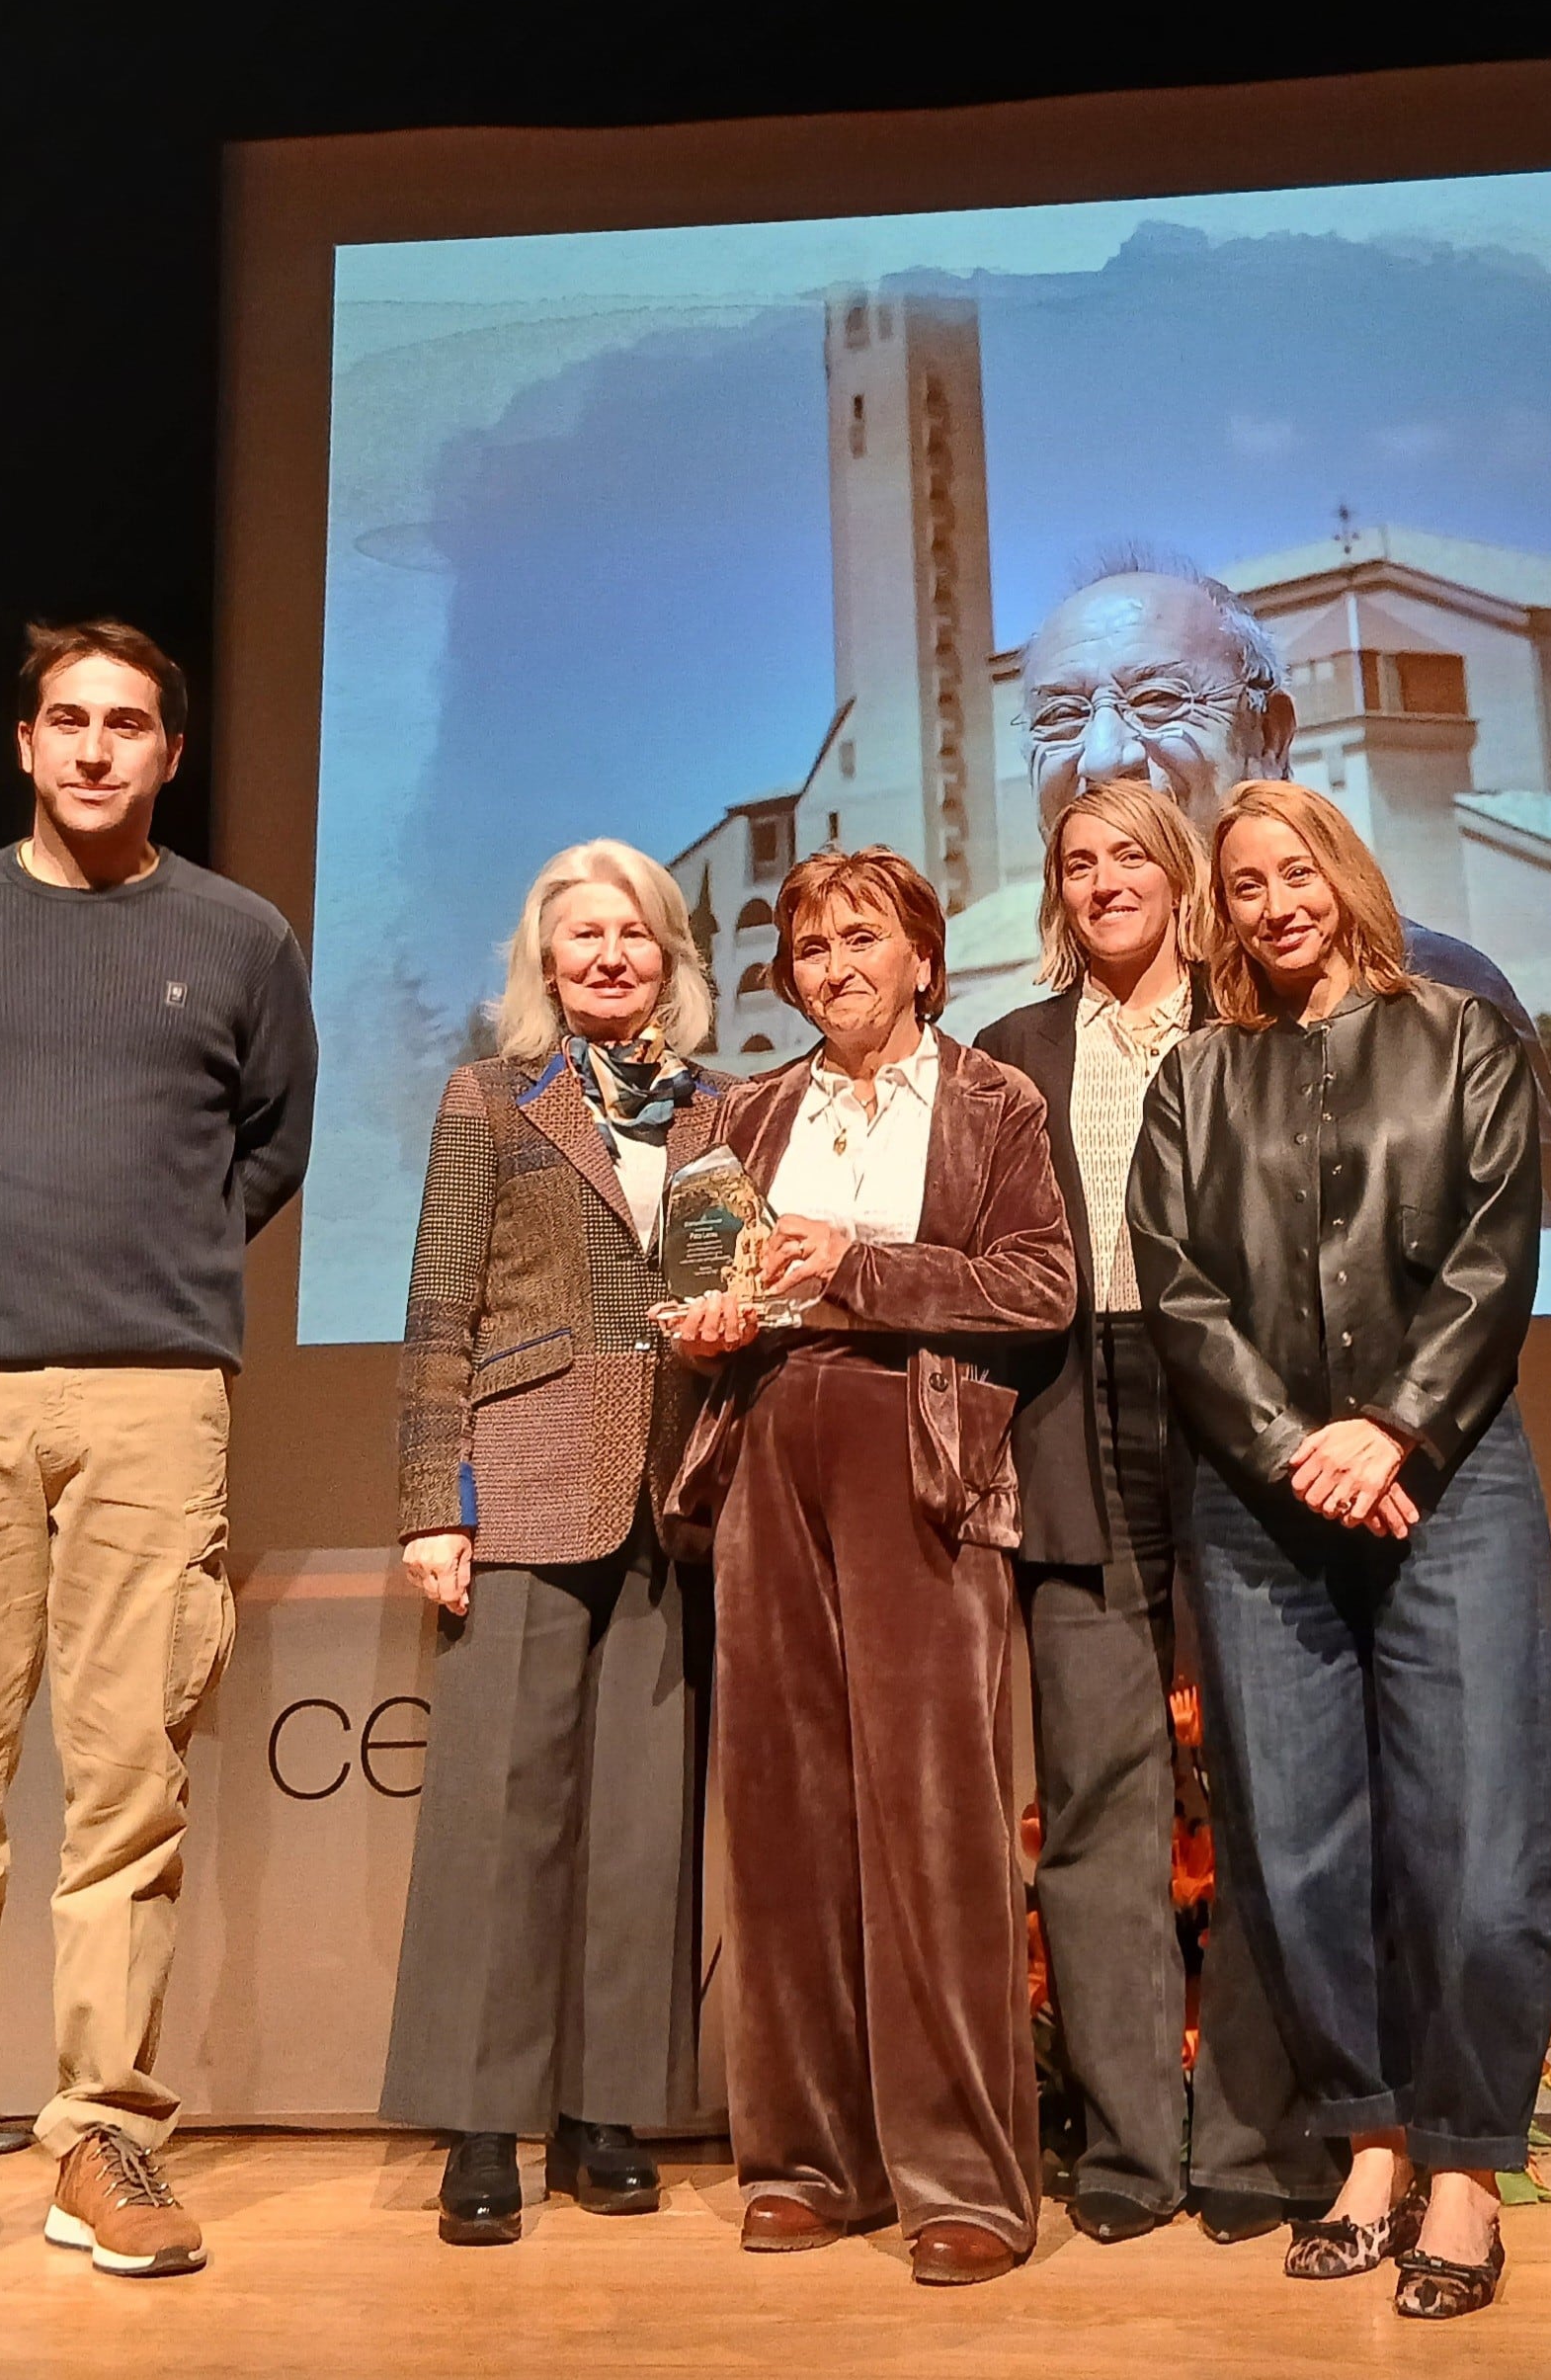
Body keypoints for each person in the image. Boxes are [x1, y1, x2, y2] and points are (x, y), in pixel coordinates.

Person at [0, 618, 316, 2290]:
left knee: (127, 1787)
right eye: (67, 721)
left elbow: (269, 1147)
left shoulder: (238, 936)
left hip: (152, 1395)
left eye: (129, 724)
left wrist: (142, 1273)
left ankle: (105, 2132)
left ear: (170, 752)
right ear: (24, 745)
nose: (97, 748)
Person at [1126, 780, 1551, 2323]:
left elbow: (1494, 1253)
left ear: (1344, 877)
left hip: (1445, 1479)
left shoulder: (1461, 1035)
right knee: (1295, 1847)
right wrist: (1288, 1445)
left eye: (1293, 869)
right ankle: (1367, 2146)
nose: (1270, 901)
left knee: (1480, 1839)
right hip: (1259, 1497)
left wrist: (1389, 1429)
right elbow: (1176, 1290)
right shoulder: (1194, 1075)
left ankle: (1461, 2170)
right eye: (1241, 883)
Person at [658, 847, 1075, 2286]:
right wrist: (710, 1318)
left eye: (860, 938)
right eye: (807, 946)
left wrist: (860, 1263)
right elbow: (702, 1279)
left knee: (934, 1814)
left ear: (920, 955)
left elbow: (1038, 1283)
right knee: (778, 1809)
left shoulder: (991, 1101)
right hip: (768, 1443)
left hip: (919, 1444)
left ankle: (962, 2176)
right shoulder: (743, 1110)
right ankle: (803, 2158)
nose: (832, 965)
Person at [975, 783, 1330, 2248]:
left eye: (1131, 854)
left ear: (1182, 877)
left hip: (1236, 1411)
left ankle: (1253, 2129)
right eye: (1077, 861)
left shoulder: (1258, 1028)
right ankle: (1126, 2142)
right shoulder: (1008, 1055)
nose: (1104, 878)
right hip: (1070, 1415)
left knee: (1261, 1785)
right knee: (1099, 1793)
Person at [380, 841, 725, 2246]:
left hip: (673, 1491)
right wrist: (424, 1501)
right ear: (543, 960)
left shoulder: (724, 1110)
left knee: (641, 1823)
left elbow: (723, 1290)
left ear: (670, 958)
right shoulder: (487, 1102)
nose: (606, 955)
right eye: (579, 935)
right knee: (497, 1815)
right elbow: (433, 1313)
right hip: (520, 1481)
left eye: (631, 934)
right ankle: (482, 2120)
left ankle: (603, 2113)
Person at [1016, 554, 1542, 1062]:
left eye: (1159, 700)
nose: (1106, 756)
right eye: (1062, 715)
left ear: (1268, 737)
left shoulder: (1426, 994)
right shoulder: (1018, 1056)